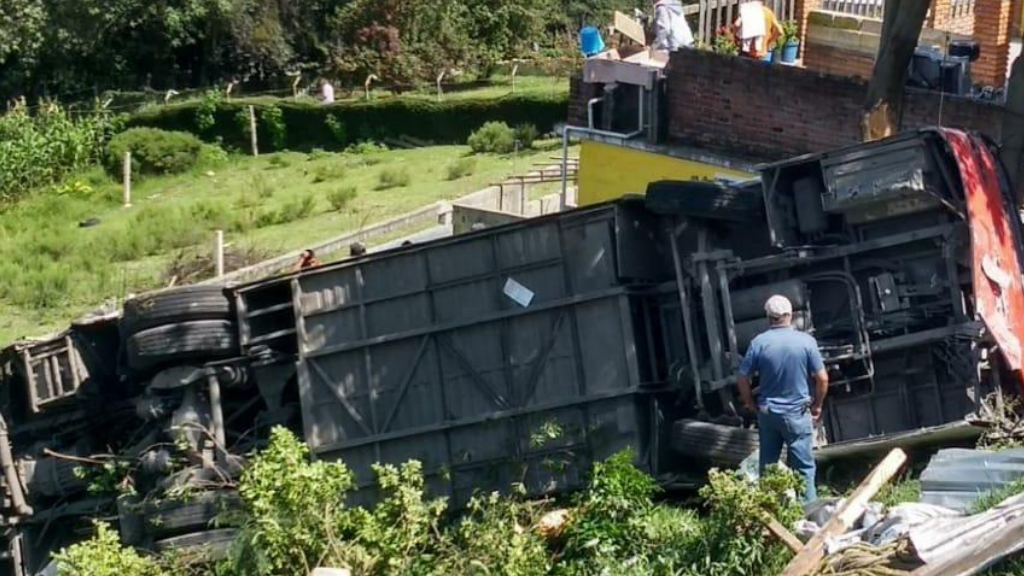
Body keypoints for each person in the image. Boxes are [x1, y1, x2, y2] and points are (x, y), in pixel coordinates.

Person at [736, 295, 828, 502]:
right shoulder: (806, 341)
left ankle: (772, 514)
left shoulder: (759, 343)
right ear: (790, 315)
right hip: (797, 414)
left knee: (768, 468)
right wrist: (817, 405)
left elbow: (742, 378)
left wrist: (751, 403)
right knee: (803, 467)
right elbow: (822, 379)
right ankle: (807, 514)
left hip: (768, 414)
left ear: (768, 317)